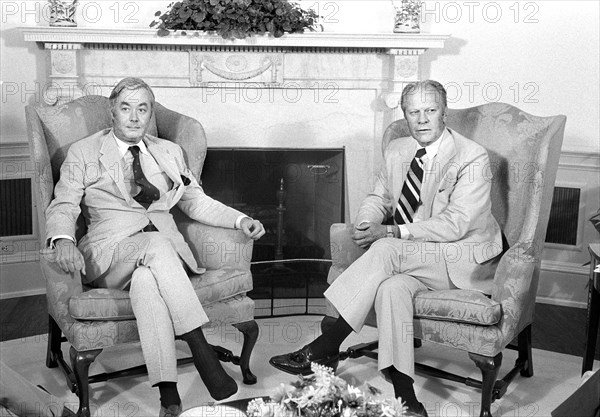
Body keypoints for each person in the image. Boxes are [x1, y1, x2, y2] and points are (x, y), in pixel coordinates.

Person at [269, 80, 503, 417]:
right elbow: (378, 197)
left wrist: (391, 231)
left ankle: (325, 345)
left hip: (460, 256)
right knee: (391, 288)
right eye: (414, 112)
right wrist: (365, 225)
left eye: (430, 111)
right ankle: (408, 400)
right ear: (405, 116)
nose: (422, 120)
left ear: (444, 113)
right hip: (415, 257)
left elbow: (456, 224)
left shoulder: (471, 157)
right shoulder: (398, 150)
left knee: (388, 249)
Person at [46, 77, 265, 417]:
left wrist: (240, 220)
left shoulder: (169, 152)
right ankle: (200, 346)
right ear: (112, 112)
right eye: (126, 108)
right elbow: (63, 204)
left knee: (148, 283)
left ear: (149, 114)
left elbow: (196, 202)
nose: (134, 117)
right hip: (109, 254)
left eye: (142, 109)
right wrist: (62, 239)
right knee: (155, 242)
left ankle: (169, 397)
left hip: (161, 258)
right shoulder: (84, 152)